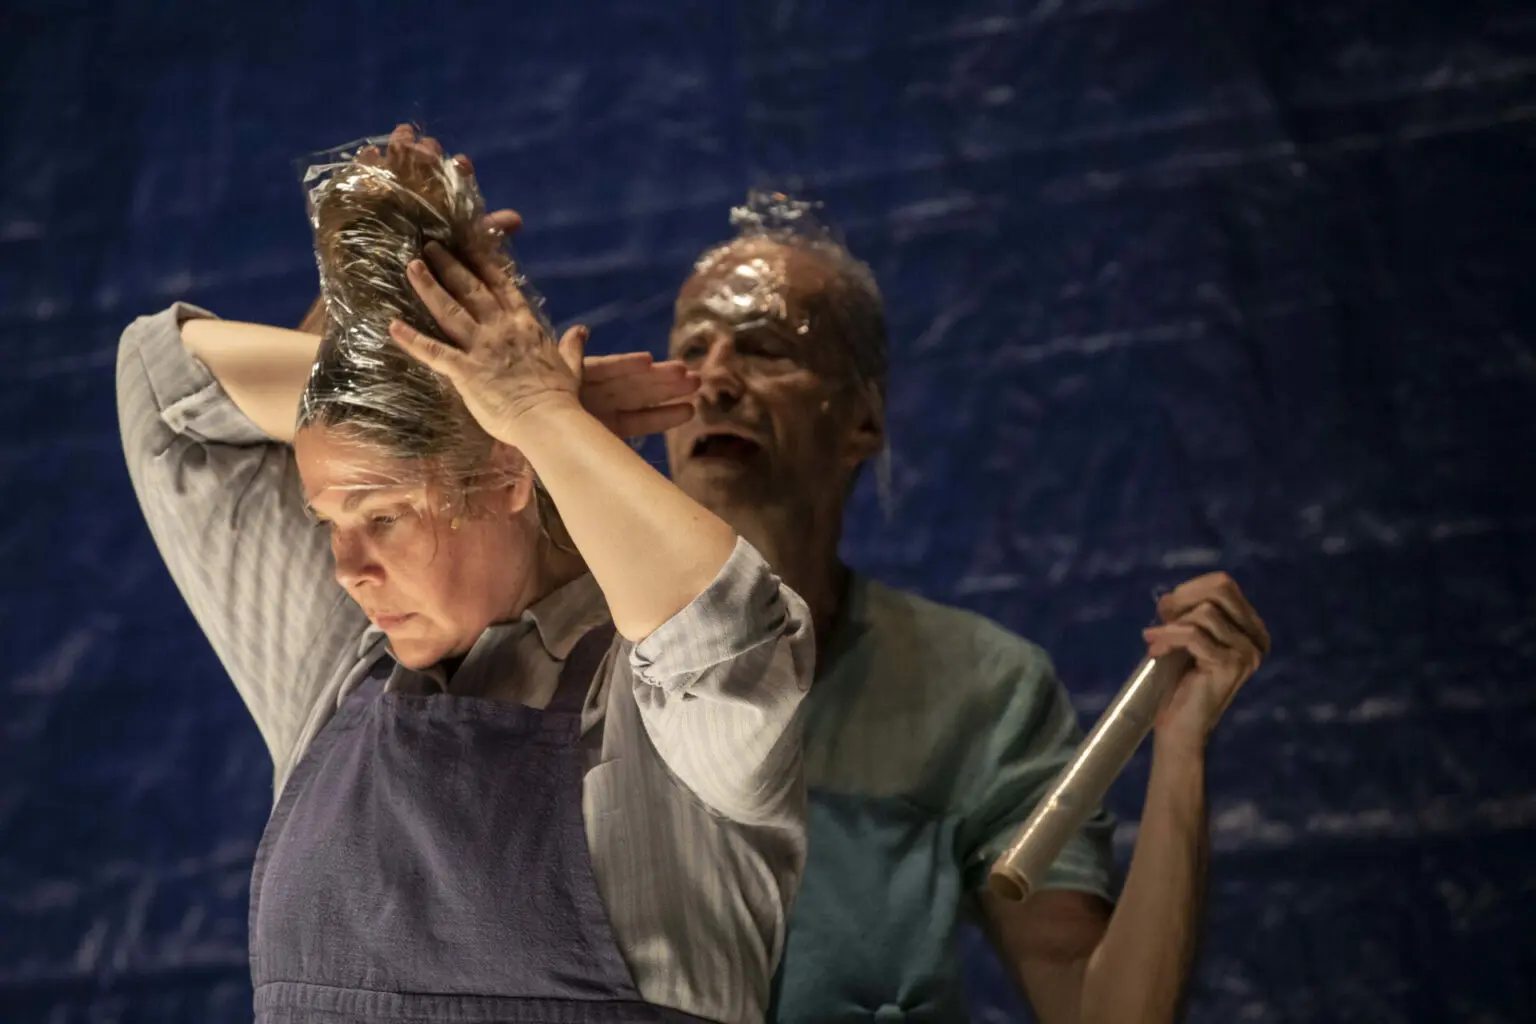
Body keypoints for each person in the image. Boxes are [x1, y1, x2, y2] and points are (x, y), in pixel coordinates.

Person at [115, 129, 814, 1024]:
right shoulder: (339, 675)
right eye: (328, 522)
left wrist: (538, 415)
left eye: (383, 515)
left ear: (509, 473)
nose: (346, 568)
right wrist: (417, 360)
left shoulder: (648, 709)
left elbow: (723, 636)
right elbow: (166, 392)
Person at [659, 192, 1273, 1024]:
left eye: (766, 349)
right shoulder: (575, 664)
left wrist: (1179, 750)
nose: (715, 381)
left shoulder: (976, 687)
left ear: (863, 419)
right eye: (690, 351)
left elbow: (1103, 1011)